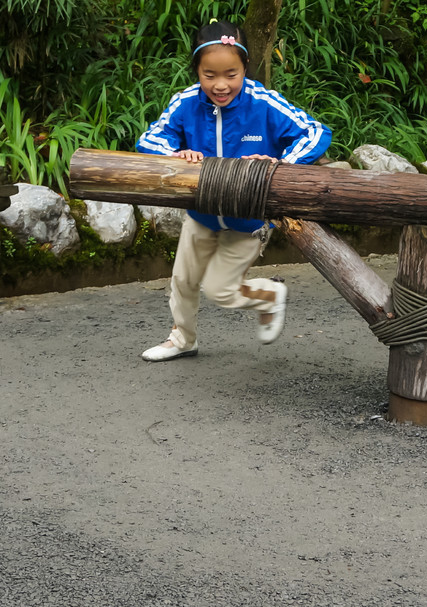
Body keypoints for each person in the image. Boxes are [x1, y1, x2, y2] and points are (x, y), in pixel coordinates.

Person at [136, 20, 332, 362]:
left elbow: (314, 132)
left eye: (231, 73)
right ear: (197, 70)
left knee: (220, 291)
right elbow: (150, 138)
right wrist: (176, 153)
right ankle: (183, 338)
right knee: (183, 280)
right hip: (201, 213)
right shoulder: (186, 103)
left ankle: (269, 295)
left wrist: (279, 163)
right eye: (209, 75)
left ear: (245, 68)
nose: (221, 84)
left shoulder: (263, 102)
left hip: (248, 220)